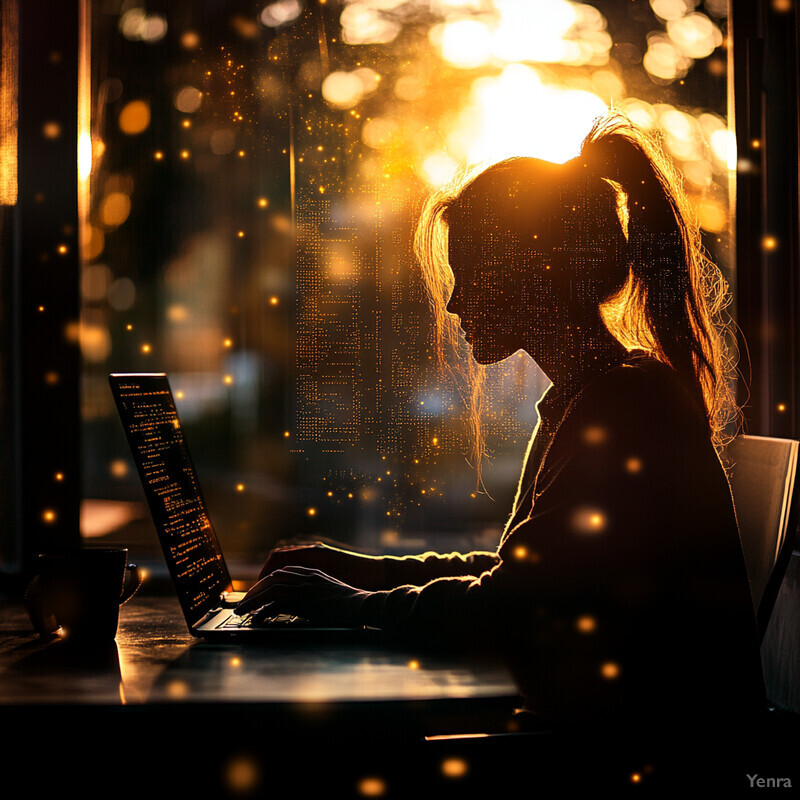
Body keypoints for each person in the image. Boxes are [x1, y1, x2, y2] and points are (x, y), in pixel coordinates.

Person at [237, 113, 765, 728]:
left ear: (531, 271)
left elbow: (511, 609)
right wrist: (353, 570)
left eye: (470, 271)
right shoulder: (593, 395)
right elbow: (519, 579)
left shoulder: (622, 407)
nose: (456, 301)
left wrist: (357, 603)